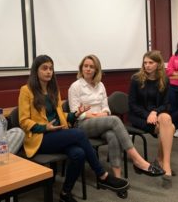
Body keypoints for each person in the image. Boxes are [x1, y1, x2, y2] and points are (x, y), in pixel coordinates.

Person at [18, 55, 129, 202]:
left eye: (51, 68)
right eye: (44, 68)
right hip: (40, 138)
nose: (48, 72)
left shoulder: (53, 90)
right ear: (35, 71)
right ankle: (102, 175)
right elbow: (23, 121)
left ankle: (65, 193)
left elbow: (60, 114)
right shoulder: (26, 91)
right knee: (79, 133)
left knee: (79, 154)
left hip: (58, 134)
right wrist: (45, 127)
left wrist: (75, 114)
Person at [68, 54, 165, 179]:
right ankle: (138, 160)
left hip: (102, 121)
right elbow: (75, 113)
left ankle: (118, 178)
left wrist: (104, 114)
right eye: (85, 66)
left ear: (96, 70)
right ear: (81, 68)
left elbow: (106, 108)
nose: (88, 69)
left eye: (91, 67)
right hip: (83, 125)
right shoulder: (75, 86)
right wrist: (95, 116)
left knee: (113, 135)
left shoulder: (100, 85)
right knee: (115, 120)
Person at [128, 51, 175, 188]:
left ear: (158, 64)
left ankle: (165, 162)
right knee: (170, 128)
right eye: (145, 62)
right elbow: (132, 104)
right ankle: (162, 162)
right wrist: (147, 114)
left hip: (157, 115)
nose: (147, 65)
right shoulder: (136, 79)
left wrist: (155, 112)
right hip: (139, 116)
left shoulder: (164, 79)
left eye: (151, 63)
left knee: (166, 117)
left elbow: (166, 104)